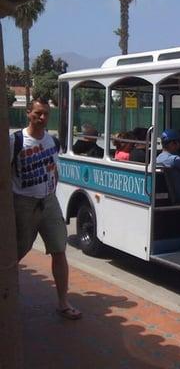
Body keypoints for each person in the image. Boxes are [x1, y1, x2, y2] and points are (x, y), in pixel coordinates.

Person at [10, 98, 82, 320]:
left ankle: (63, 302)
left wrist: (51, 191)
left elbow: (54, 170)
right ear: (28, 113)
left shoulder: (52, 142)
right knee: (17, 252)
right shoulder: (15, 140)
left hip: (48, 202)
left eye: (46, 114)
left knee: (59, 249)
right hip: (23, 203)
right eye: (38, 113)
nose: (42, 118)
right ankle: (8, 296)